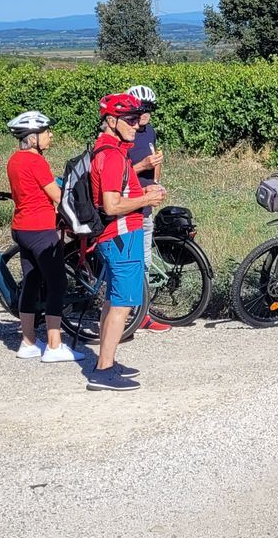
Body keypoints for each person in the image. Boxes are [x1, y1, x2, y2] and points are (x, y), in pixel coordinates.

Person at [83, 93, 166, 391]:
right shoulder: (113, 156)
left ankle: (105, 360)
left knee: (112, 301)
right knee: (122, 304)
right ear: (111, 121)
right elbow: (111, 205)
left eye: (136, 119)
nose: (135, 125)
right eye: (129, 120)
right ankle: (103, 371)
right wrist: (148, 197)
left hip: (118, 236)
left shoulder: (110, 149)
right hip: (121, 236)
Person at [4, 110, 80, 363]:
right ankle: (54, 345)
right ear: (33, 137)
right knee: (57, 283)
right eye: (46, 132)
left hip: (21, 228)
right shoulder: (36, 162)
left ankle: (27, 342)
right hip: (40, 229)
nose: (50, 135)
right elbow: (57, 196)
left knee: (32, 281)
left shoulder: (14, 160)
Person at [124, 85, 172, 333]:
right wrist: (141, 166)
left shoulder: (149, 131)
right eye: (140, 108)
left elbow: (154, 161)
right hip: (128, 206)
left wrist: (156, 184)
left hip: (146, 205)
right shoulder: (125, 135)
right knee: (133, 262)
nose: (144, 113)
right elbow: (116, 175)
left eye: (149, 108)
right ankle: (133, 313)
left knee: (143, 260)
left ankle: (138, 313)